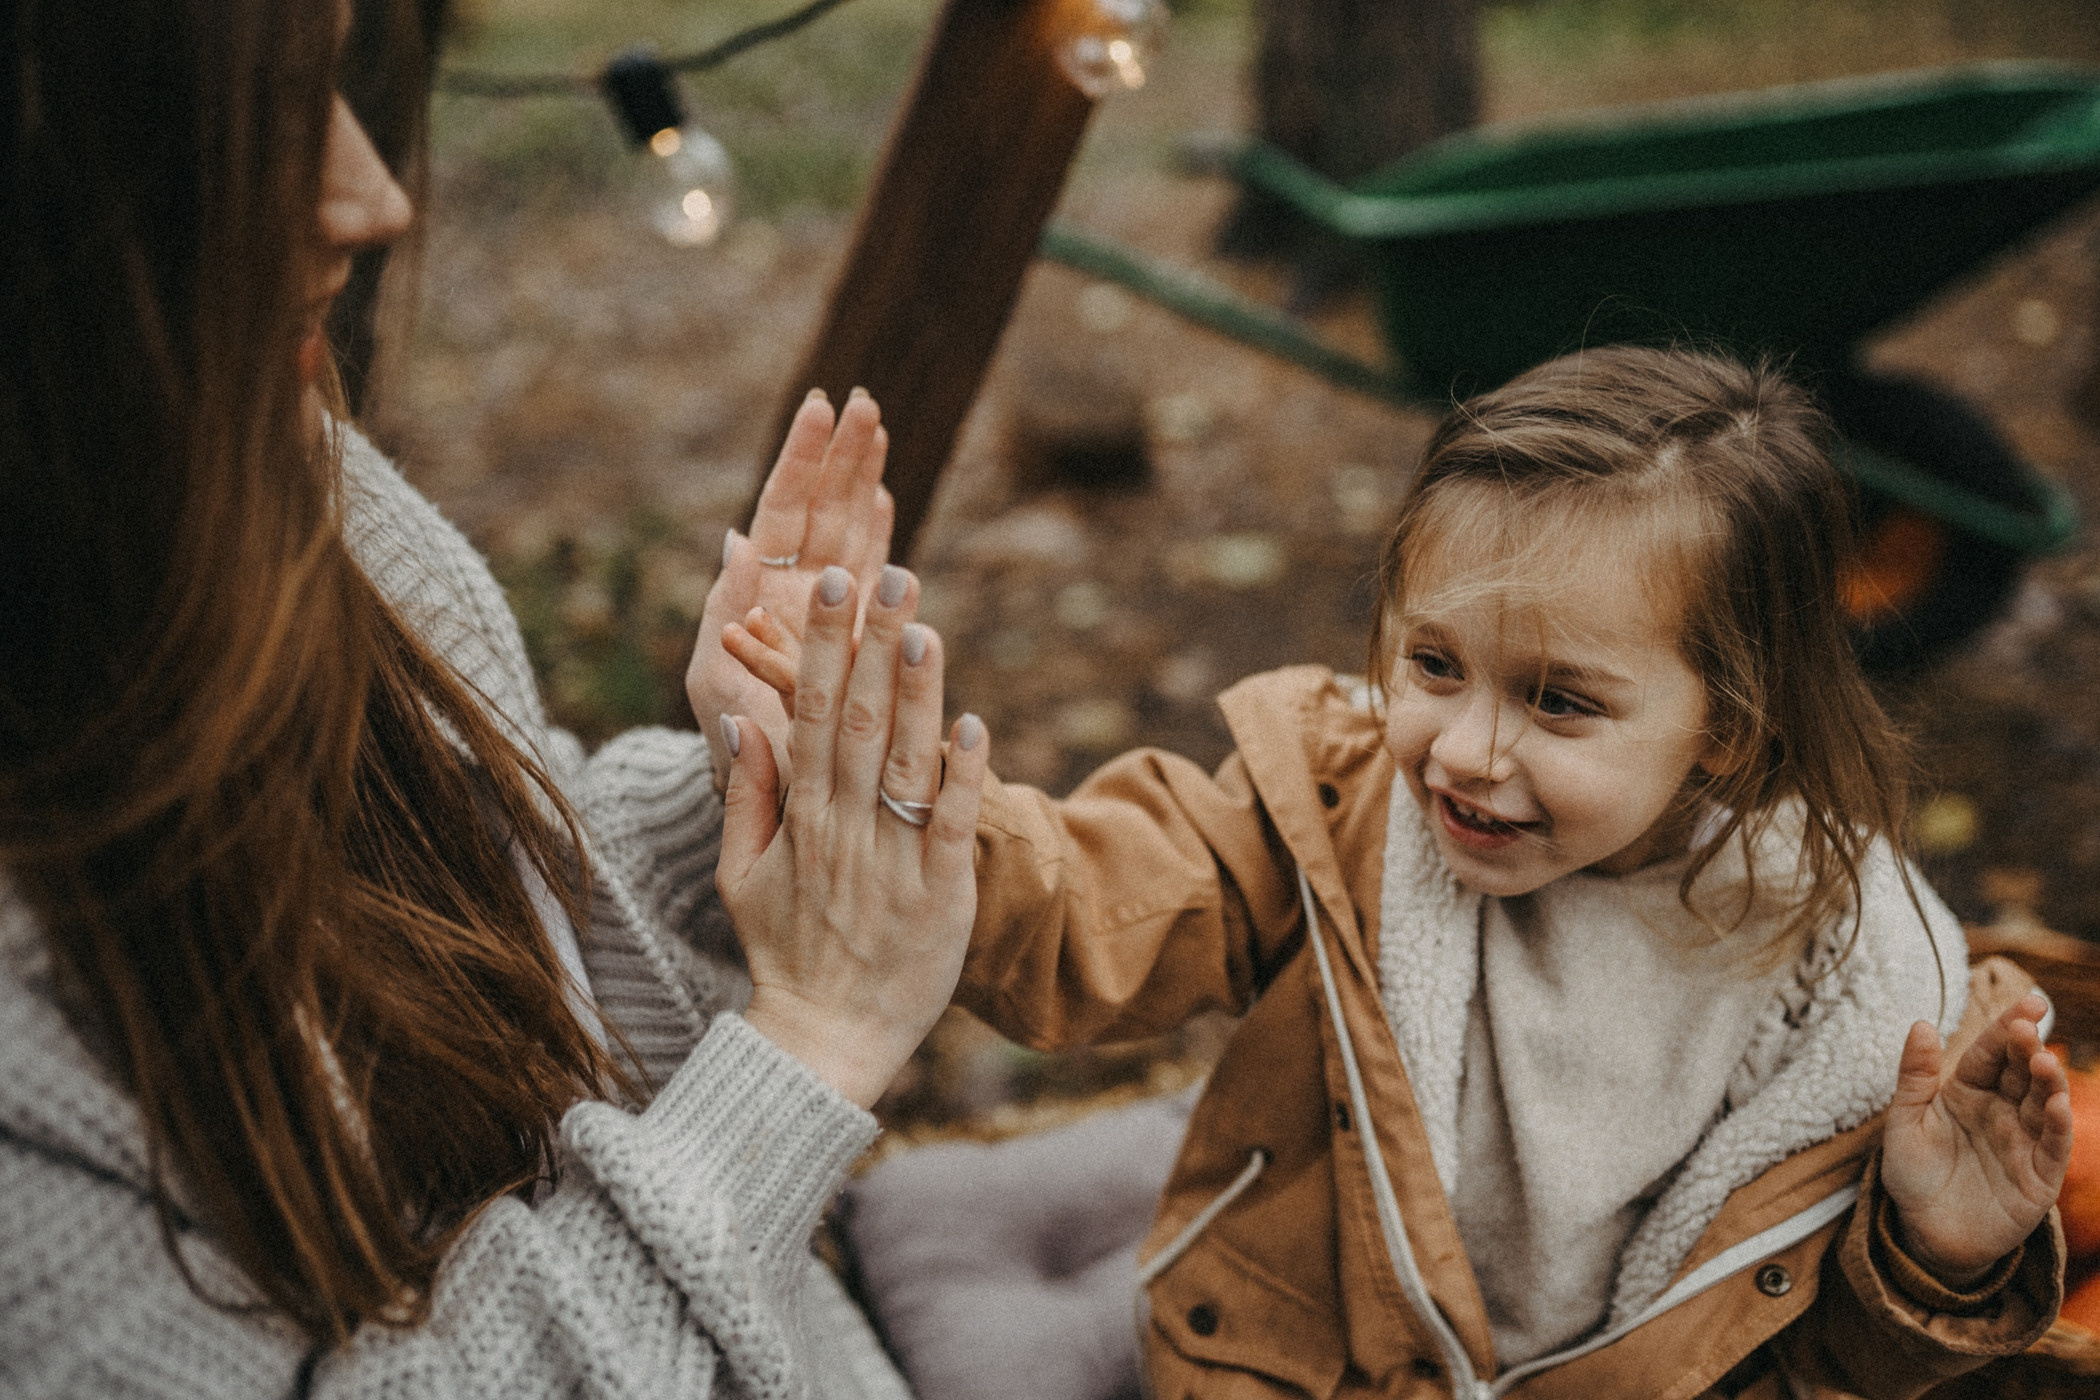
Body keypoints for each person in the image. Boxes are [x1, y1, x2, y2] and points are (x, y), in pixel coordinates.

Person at [734, 347, 2073, 1397]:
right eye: (1434, 666)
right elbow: (1103, 897)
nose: (1465, 754)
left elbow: (1807, 1360)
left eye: (1558, 703)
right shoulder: (1346, 807)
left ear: (1729, 722)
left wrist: (1938, 1255)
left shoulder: (1851, 1004)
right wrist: (890, 785)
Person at [0, 1, 985, 1395]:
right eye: (268, 111)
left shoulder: (296, 478)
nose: (374, 192)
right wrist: (808, 1045)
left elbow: (508, 946)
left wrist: (741, 806)